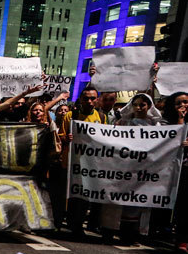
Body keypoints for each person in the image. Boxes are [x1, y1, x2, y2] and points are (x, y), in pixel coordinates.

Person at [99, 93, 162, 244]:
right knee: (114, 201)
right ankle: (108, 231)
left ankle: (129, 234)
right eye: (136, 104)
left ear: (149, 106)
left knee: (134, 202)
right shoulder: (123, 122)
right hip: (121, 167)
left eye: (143, 105)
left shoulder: (156, 126)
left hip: (141, 169)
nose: (139, 108)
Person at [61, 86, 107, 238]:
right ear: (80, 99)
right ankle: (68, 221)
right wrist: (66, 138)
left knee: (84, 196)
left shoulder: (101, 117)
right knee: (71, 196)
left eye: (93, 98)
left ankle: (78, 224)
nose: (89, 101)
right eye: (86, 98)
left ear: (97, 100)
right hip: (71, 163)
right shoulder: (70, 115)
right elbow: (60, 135)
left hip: (90, 164)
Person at [162, 92, 188, 253]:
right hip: (176, 170)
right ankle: (181, 240)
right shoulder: (167, 122)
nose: (184, 106)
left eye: (186, 102)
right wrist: (180, 119)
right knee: (183, 206)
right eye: (180, 103)